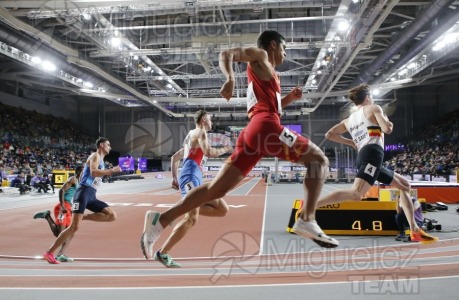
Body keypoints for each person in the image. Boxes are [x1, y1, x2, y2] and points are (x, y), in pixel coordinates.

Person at [141, 30, 338, 258]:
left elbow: (272, 107)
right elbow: (227, 53)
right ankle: (306, 219)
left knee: (217, 189)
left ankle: (160, 221)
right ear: (273, 45)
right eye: (284, 48)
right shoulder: (261, 55)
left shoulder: (271, 75)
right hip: (266, 129)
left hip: (254, 133)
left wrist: (290, 99)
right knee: (319, 160)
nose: (285, 53)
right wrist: (230, 79)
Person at [315, 83, 438, 244]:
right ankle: (312, 206)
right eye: (371, 96)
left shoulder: (349, 120)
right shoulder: (373, 108)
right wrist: (389, 123)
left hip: (365, 155)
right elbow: (387, 130)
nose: (372, 99)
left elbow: (329, 134)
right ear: (367, 98)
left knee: (405, 186)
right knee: (356, 194)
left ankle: (414, 230)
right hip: (372, 154)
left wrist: (351, 143)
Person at [142, 110, 232, 267]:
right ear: (203, 119)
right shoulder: (200, 132)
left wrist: (175, 177)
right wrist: (225, 149)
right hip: (191, 174)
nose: (212, 122)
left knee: (222, 209)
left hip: (192, 174)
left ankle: (160, 219)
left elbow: (175, 157)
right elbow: (209, 152)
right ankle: (162, 252)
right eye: (210, 119)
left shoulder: (191, 136)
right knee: (192, 217)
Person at [42, 137, 122, 264]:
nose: (110, 147)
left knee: (112, 215)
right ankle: (49, 252)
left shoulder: (101, 160)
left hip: (91, 195)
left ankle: (83, 217)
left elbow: (92, 174)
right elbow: (94, 172)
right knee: (74, 227)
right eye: (108, 144)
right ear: (101, 145)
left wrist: (107, 171)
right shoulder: (95, 155)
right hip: (83, 193)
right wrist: (111, 171)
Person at [33, 165, 83, 262]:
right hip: (62, 208)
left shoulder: (79, 182)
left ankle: (60, 254)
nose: (84, 173)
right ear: (77, 172)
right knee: (61, 234)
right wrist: (63, 206)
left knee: (71, 231)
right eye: (82, 171)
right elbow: (61, 190)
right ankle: (47, 216)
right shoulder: (73, 179)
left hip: (69, 207)